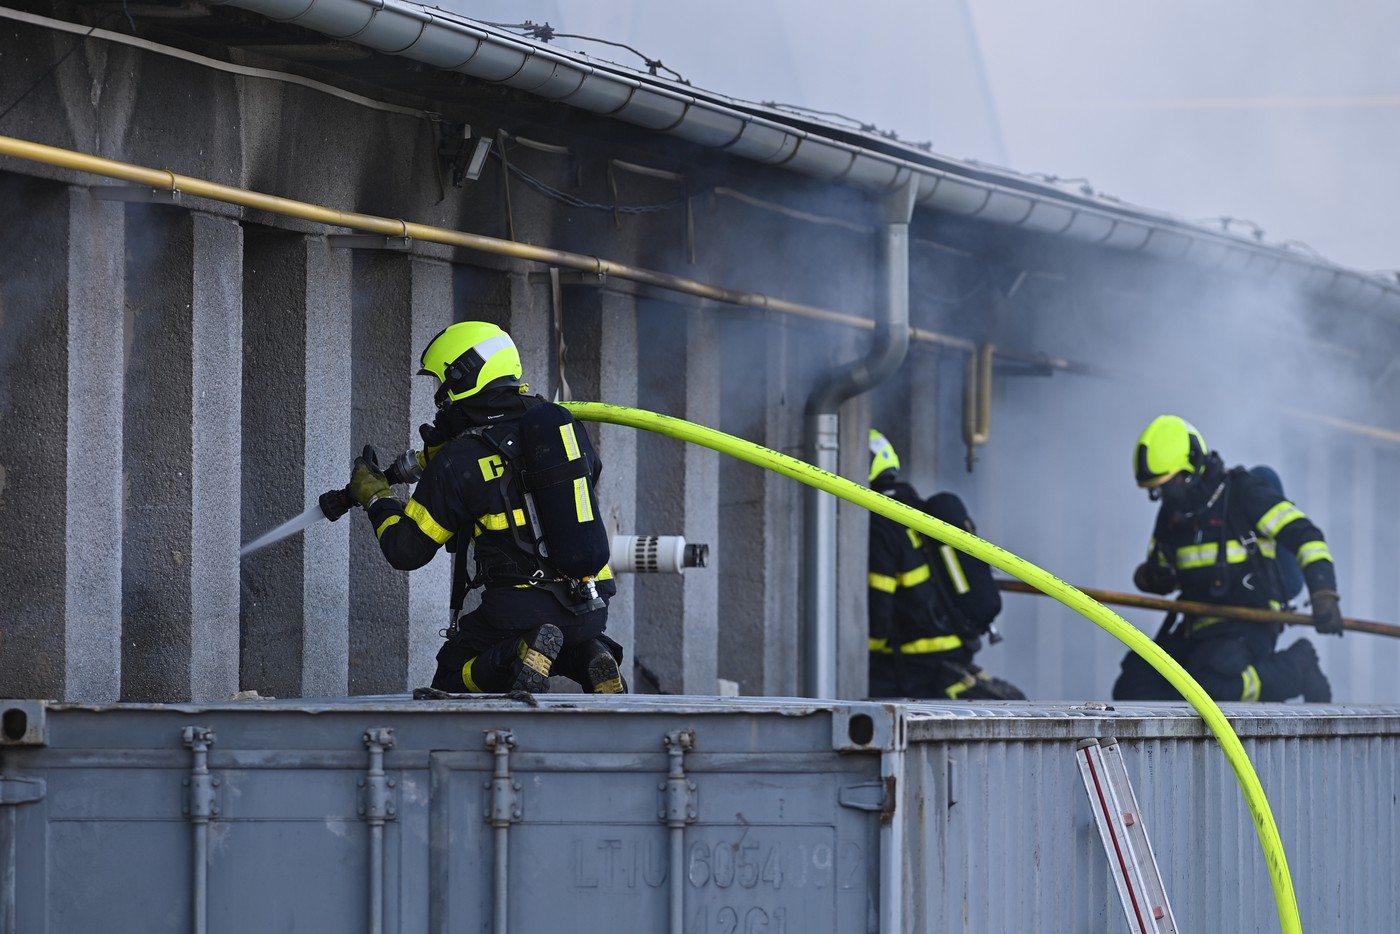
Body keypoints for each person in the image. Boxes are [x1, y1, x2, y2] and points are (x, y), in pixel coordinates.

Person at [347, 320, 626, 695]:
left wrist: (377, 497)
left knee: (454, 671)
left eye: (441, 384)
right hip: (591, 605)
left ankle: (517, 654)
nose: (439, 398)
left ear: (463, 377)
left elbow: (406, 549)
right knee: (558, 636)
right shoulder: (562, 428)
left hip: (520, 609)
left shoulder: (461, 459)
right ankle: (591, 656)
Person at [1112, 415, 1341, 703]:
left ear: (1191, 468)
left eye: (1167, 486)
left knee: (1212, 688)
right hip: (1196, 629)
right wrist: (1151, 578)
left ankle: (1297, 667)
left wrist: (1324, 592)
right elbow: (1162, 569)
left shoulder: (1244, 493)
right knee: (1135, 685)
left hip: (1250, 622)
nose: (1162, 497)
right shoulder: (1171, 515)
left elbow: (1306, 536)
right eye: (1155, 490)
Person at [866, 429, 1025, 700]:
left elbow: (879, 608)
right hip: (952, 653)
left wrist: (867, 655)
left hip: (913, 663)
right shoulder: (915, 509)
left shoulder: (881, 522)